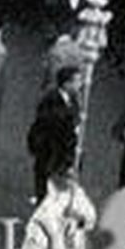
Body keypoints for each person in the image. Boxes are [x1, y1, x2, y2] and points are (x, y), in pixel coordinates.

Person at [17, 168, 96, 249]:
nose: (67, 180)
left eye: (71, 177)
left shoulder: (79, 198)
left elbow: (90, 219)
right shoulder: (49, 200)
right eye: (64, 176)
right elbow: (36, 226)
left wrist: (77, 217)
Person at [26, 66, 82, 203]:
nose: (80, 84)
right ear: (66, 83)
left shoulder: (74, 99)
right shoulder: (50, 99)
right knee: (44, 179)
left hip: (61, 150)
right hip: (50, 149)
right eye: (77, 81)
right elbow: (49, 123)